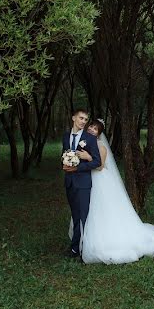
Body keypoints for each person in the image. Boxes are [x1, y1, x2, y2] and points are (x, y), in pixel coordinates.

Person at [69, 119, 154, 264]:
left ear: (99, 133)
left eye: (96, 129)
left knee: (100, 209)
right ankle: (81, 240)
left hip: (99, 179)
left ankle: (101, 243)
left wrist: (88, 157)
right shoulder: (83, 143)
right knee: (83, 208)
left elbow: (100, 167)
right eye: (91, 127)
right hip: (85, 178)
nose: (92, 130)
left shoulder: (100, 146)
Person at [61, 108, 101, 258]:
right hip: (69, 183)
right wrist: (64, 165)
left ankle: (78, 249)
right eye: (81, 118)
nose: (83, 121)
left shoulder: (89, 139)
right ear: (73, 118)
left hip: (83, 183)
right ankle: (77, 246)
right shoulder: (65, 137)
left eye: (85, 119)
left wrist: (78, 168)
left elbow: (97, 162)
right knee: (75, 214)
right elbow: (64, 155)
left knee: (82, 216)